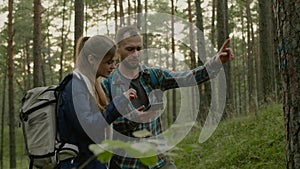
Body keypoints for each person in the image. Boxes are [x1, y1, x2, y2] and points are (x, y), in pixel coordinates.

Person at [102, 26, 234, 169]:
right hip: (127, 163)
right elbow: (103, 122)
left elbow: (187, 78)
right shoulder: (107, 83)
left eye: (139, 49)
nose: (135, 54)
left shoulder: (153, 75)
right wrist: (132, 119)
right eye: (130, 49)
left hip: (160, 160)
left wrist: (215, 62)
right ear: (118, 49)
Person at [57, 35, 138, 169]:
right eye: (109, 62)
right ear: (91, 59)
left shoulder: (94, 85)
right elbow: (88, 127)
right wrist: (119, 103)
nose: (113, 67)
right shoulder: (75, 86)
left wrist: (129, 116)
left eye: (115, 62)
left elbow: (101, 123)